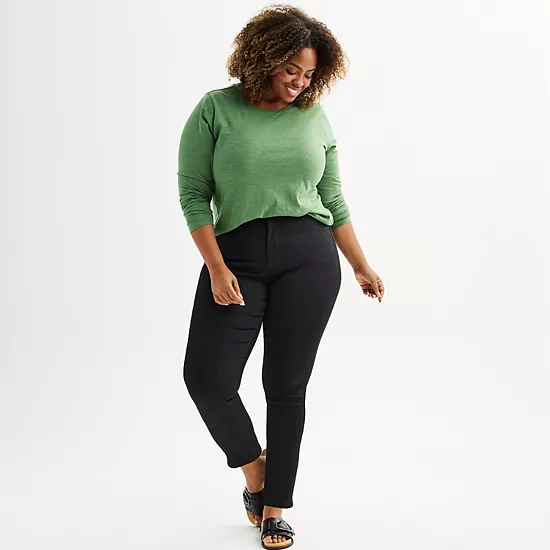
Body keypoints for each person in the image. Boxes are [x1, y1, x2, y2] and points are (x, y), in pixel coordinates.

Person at [177, 5, 384, 548]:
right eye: (291, 69)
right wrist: (216, 266)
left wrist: (359, 264)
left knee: (286, 387)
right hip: (236, 258)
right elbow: (194, 194)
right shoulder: (216, 109)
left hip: (308, 257)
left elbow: (332, 197)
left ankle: (275, 509)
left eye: (310, 74)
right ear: (264, 57)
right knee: (207, 379)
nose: (300, 82)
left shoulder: (313, 117)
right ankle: (256, 470)